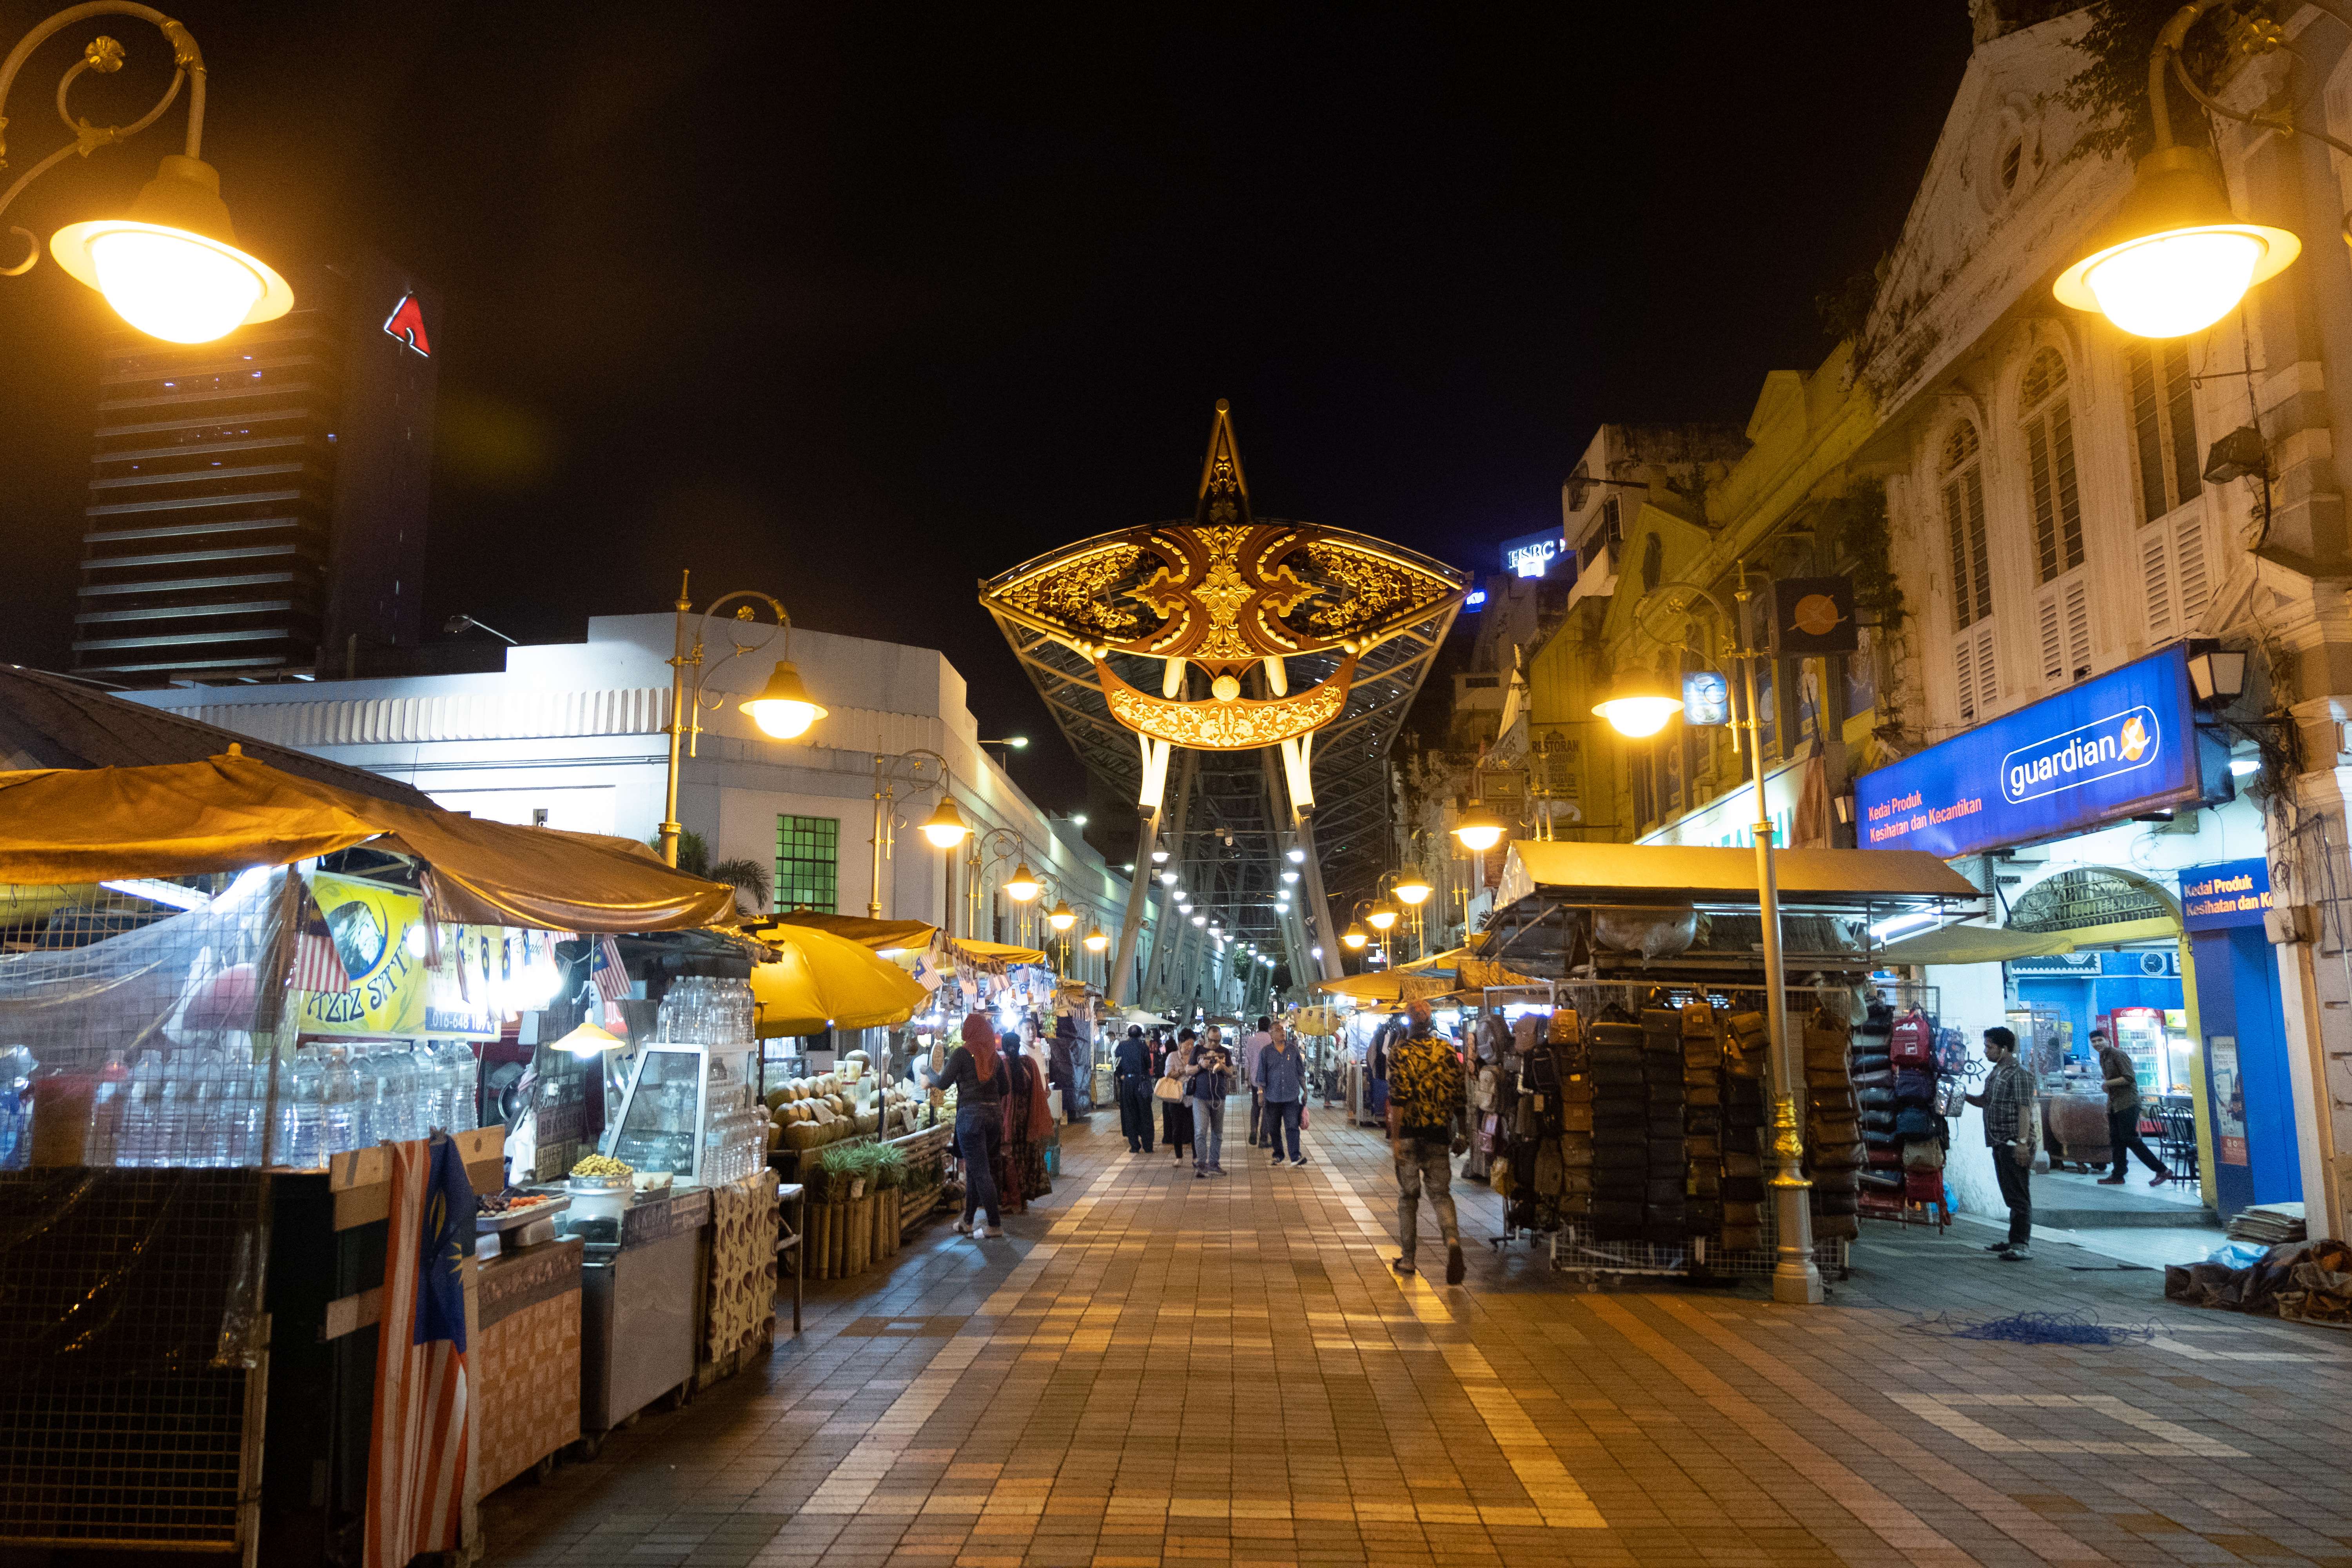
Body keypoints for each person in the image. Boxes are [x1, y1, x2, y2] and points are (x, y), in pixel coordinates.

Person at [1386, 998, 1468, 1282]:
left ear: (1408, 1022)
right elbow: (1460, 1097)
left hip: (1409, 1134)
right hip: (1438, 1135)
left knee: (1409, 1198)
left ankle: (1408, 1260)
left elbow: (1398, 1099)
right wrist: (1463, 1133)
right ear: (1430, 1021)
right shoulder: (1446, 1051)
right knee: (1441, 1195)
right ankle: (1453, 1243)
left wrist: (1395, 1140)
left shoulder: (1400, 1053)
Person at [1965, 1025, 2038, 1261]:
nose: (1986, 1051)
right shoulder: (1996, 1072)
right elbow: (1986, 1101)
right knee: (2010, 1193)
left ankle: (2021, 1245)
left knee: (2018, 1195)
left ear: (2004, 1049)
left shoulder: (2020, 1074)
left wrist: (2023, 1143)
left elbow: (2025, 1109)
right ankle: (2013, 1240)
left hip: (2013, 1141)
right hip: (1998, 1141)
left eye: (1990, 1047)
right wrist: (1963, 1095)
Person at [936, 1013, 1007, 1239]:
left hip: (971, 1116)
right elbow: (1004, 1089)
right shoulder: (994, 1057)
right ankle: (968, 1221)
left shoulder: (962, 1053)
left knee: (980, 1171)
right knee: (978, 1169)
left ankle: (994, 1225)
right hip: (994, 1116)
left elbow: (943, 1083)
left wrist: (927, 1073)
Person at [2092, 1028, 2172, 1186]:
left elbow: (2129, 1077)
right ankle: (2118, 1175)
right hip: (2114, 1104)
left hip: (2128, 1103)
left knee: (2129, 1138)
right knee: (2116, 1140)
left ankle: (2162, 1170)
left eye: (2100, 1040)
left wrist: (2107, 1083)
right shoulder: (2104, 1056)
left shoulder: (2117, 1054)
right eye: (2094, 1042)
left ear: (2107, 1040)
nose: (2097, 1044)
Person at [998, 1031, 1053, 1210]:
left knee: (1010, 1159)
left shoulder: (1002, 1066)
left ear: (1003, 1048)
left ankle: (1014, 1201)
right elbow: (1039, 1093)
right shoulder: (1029, 1064)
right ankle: (1023, 1199)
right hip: (1028, 1122)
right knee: (1025, 1159)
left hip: (1009, 1123)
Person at [1255, 1018, 1308, 1167]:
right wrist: (1261, 1093)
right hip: (1272, 1097)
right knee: (1274, 1128)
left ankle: (1295, 1156)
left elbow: (1300, 1072)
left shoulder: (1293, 1050)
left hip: (1291, 1096)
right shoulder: (1266, 1052)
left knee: (1292, 1126)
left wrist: (1305, 1090)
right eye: (1278, 1031)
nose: (1282, 1033)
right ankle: (1278, 1154)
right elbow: (1261, 1075)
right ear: (1271, 1035)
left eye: (1283, 1030)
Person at [1187, 1025, 1234, 1178]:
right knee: (1201, 1131)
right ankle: (1201, 1164)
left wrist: (1222, 1067)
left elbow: (1231, 1073)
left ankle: (1214, 1163)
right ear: (1206, 1037)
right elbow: (1188, 1070)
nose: (1214, 1044)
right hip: (1200, 1097)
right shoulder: (1197, 1050)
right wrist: (1201, 1066)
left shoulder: (1225, 1052)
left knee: (1217, 1132)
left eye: (1218, 1041)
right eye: (1212, 1040)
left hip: (1219, 1097)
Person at [1115, 1024, 1156, 1154]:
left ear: (1128, 1034)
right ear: (1140, 1035)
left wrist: (1123, 1075)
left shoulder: (1122, 1046)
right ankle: (1148, 1146)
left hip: (1128, 1083)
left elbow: (1118, 1061)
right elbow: (1148, 1064)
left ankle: (1134, 1146)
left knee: (1130, 1114)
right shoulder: (1143, 1046)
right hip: (1142, 1083)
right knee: (1145, 1114)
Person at [1158, 1030, 1195, 1164]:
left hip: (1192, 1097)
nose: (1191, 1047)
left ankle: (1196, 1157)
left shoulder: (1195, 1056)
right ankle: (1179, 1157)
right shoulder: (1172, 1056)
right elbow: (1168, 1074)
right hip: (1176, 1097)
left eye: (1193, 1044)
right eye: (1188, 1044)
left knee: (1194, 1128)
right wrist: (1183, 1071)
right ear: (1180, 1043)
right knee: (1177, 1128)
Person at [1242, 1015, 1274, 1147]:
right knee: (1267, 1108)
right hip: (1270, 1079)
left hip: (1255, 1079)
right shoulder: (1272, 1040)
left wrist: (1246, 1078)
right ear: (1269, 1026)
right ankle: (1264, 1138)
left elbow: (1247, 1061)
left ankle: (1254, 1131)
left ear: (1258, 1026)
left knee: (1255, 1106)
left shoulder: (1251, 1040)